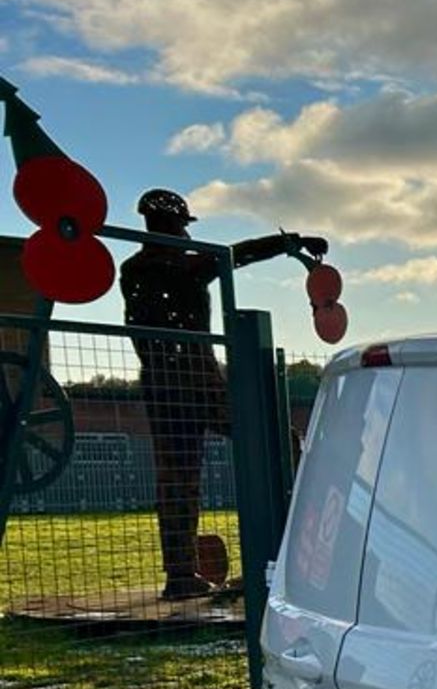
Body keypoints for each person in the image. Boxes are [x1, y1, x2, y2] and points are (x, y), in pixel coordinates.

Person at [120, 189, 327, 599]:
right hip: (196, 379)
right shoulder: (183, 265)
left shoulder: (137, 267)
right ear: (172, 225)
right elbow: (236, 254)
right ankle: (290, 550)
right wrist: (291, 243)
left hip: (161, 383)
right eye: (179, 225)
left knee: (177, 479)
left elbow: (232, 255)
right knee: (276, 440)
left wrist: (290, 243)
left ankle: (180, 575)